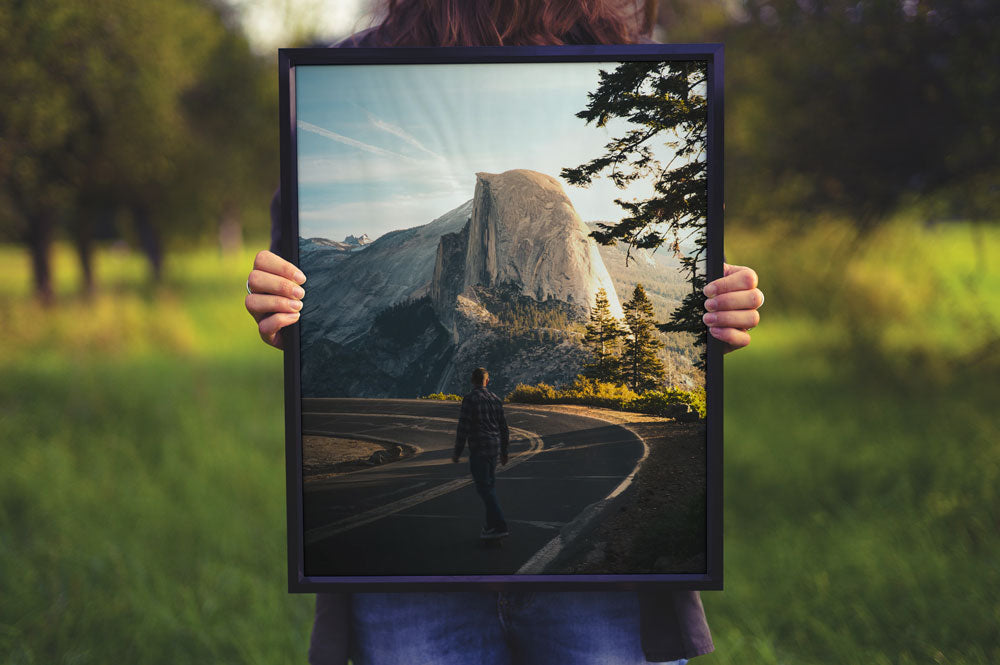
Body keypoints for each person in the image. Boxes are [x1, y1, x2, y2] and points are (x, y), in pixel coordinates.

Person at [245, 1, 764, 663]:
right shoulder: (346, 65)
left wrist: (720, 307)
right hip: (408, 587)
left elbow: (704, 282)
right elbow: (294, 304)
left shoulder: (621, 47)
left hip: (596, 593)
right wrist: (279, 304)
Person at [452, 367, 511, 539]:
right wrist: (505, 452)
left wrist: (457, 451)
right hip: (494, 449)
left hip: (479, 449)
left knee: (485, 489)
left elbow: (463, 427)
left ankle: (499, 525)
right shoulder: (495, 399)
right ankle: (491, 526)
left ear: (472, 380)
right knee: (490, 487)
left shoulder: (470, 399)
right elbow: (504, 428)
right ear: (487, 381)